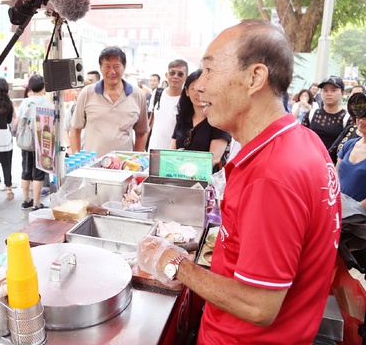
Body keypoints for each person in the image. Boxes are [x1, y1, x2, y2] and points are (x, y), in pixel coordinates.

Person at [138, 19, 341, 343]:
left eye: (209, 70)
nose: (199, 86)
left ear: (255, 77)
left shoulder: (271, 174)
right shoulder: (304, 141)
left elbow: (258, 304)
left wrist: (178, 264)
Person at [70, 47, 149, 157]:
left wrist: (136, 159)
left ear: (124, 67)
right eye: (107, 66)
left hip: (124, 167)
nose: (112, 71)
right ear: (100, 68)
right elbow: (75, 130)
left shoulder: (138, 95)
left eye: (117, 66)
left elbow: (141, 132)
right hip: (92, 167)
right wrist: (78, 159)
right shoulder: (87, 93)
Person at [170, 69, 230, 171]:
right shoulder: (182, 118)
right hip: (179, 177)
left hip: (206, 181)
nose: (198, 94)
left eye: (202, 89)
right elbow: (172, 149)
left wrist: (189, 173)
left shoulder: (219, 121)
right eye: (193, 88)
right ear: (187, 92)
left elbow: (214, 158)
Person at [17, 73, 52, 210]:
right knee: (38, 173)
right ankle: (37, 204)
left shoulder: (25, 102)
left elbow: (18, 120)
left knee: (26, 170)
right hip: (41, 143)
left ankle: (26, 200)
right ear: (44, 86)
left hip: (26, 141)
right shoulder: (47, 103)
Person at [302, 76, 349, 163]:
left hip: (334, 166)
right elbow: (301, 139)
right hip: (310, 163)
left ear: (342, 93)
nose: (329, 93)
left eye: (333, 90)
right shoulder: (312, 114)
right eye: (325, 90)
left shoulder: (347, 118)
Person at [147, 59, 187, 150]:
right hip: (154, 150)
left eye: (180, 74)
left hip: (174, 154)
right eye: (172, 73)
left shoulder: (187, 99)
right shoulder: (157, 93)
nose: (175, 76)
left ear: (186, 77)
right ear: (166, 75)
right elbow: (150, 122)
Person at [337, 92, 366, 209]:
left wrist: (354, 210)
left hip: (360, 221)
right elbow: (335, 176)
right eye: (359, 115)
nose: (361, 120)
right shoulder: (349, 144)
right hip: (337, 214)